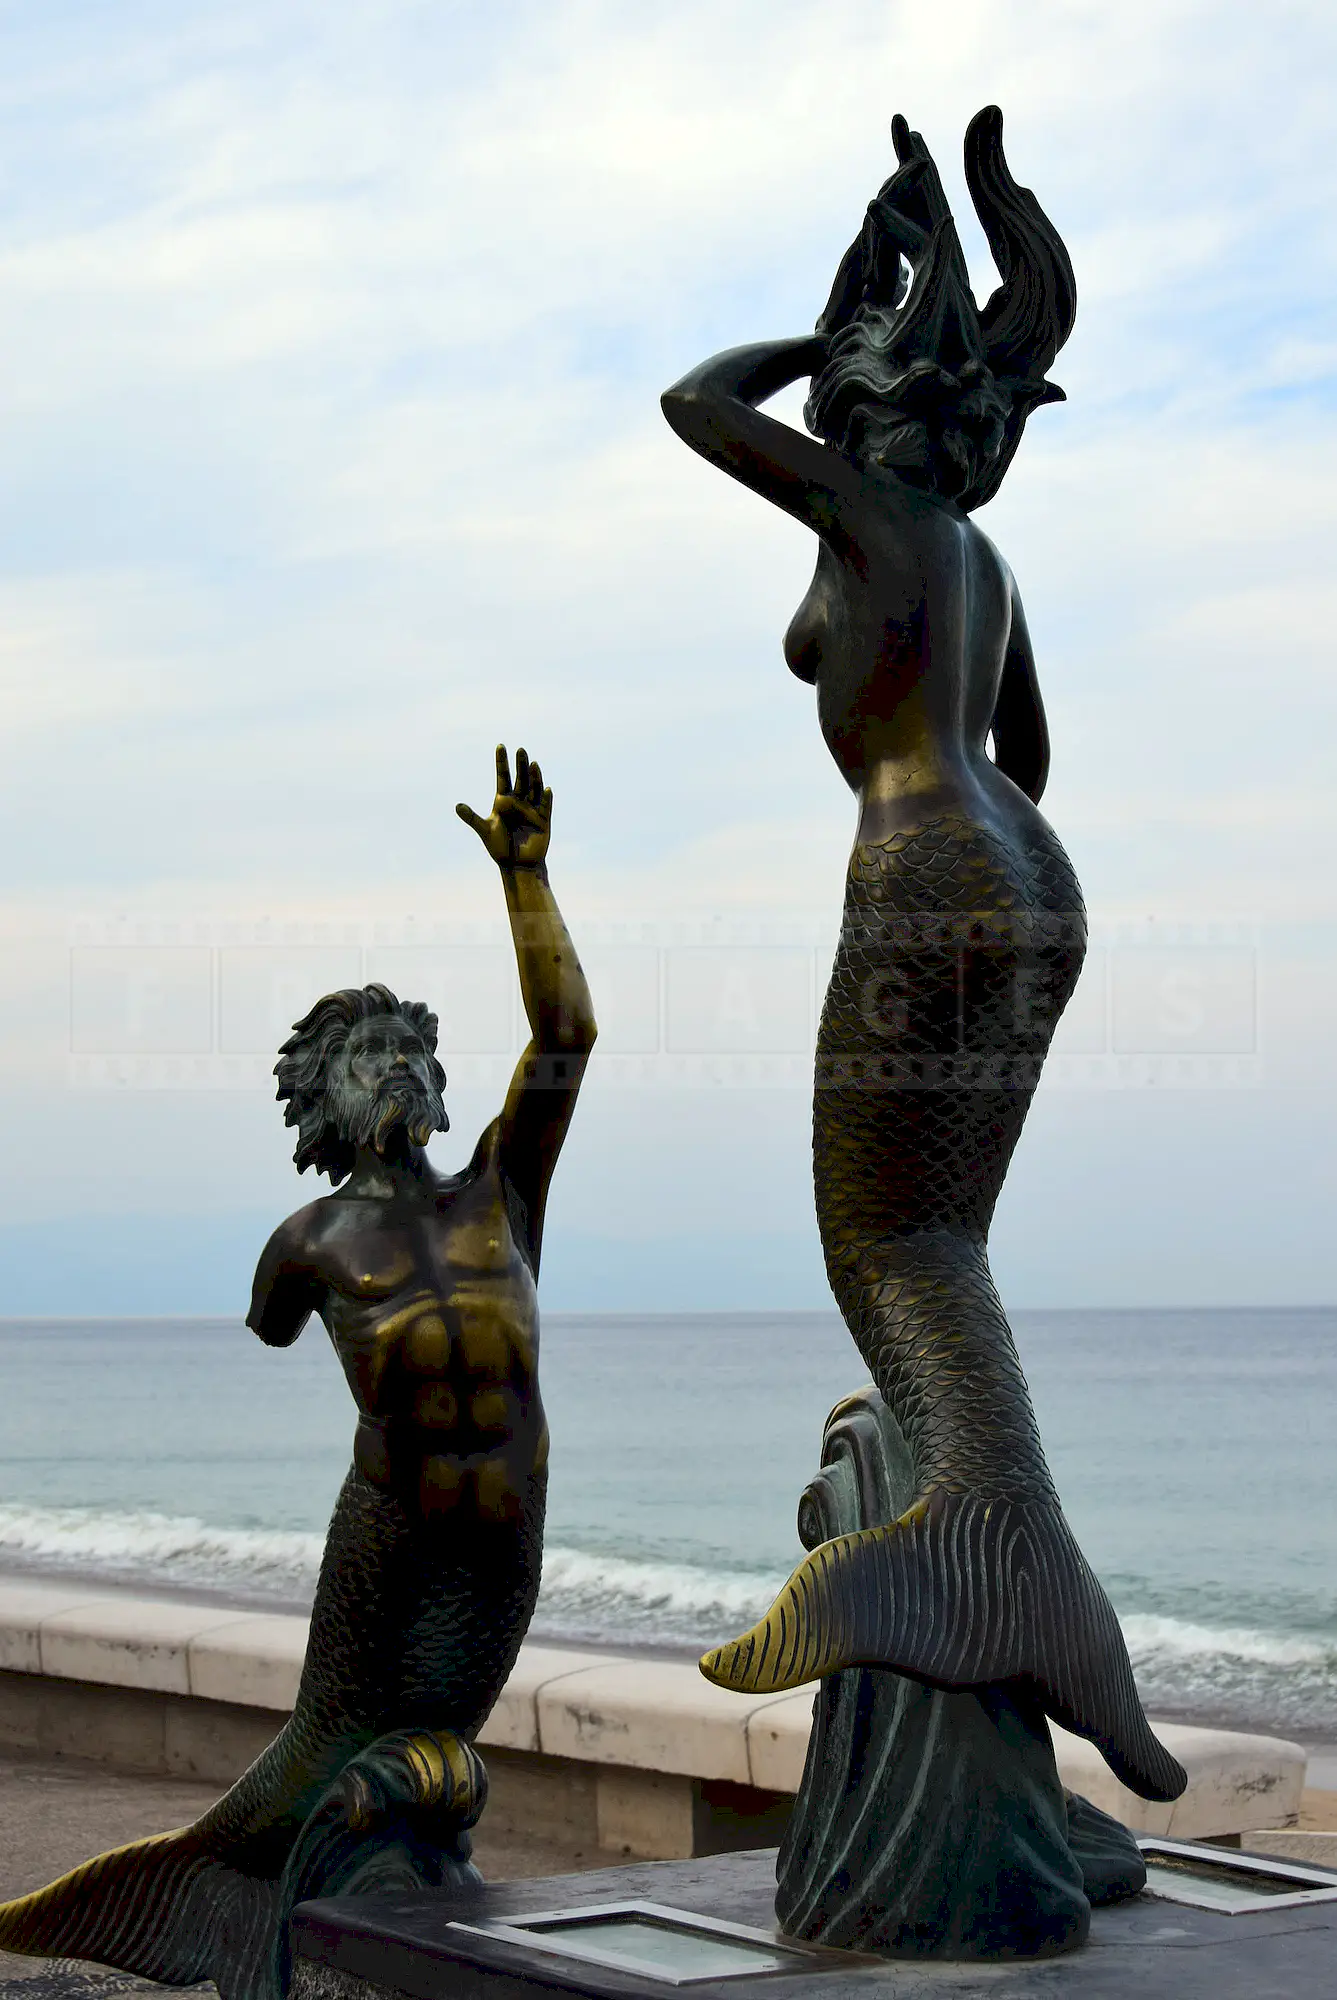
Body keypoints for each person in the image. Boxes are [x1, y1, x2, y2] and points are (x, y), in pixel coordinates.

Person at [661, 109, 1183, 1805]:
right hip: (1027, 871)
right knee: (939, 1237)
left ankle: (979, 1549)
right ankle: (1001, 1547)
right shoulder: (978, 556)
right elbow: (1029, 751)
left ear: (867, 411)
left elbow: (693, 405)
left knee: (884, 1235)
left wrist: (810, 337)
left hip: (925, 858)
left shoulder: (873, 511)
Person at [0, 745, 598, 1992]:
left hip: (504, 1540)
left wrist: (525, 880)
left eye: (408, 1047)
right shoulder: (308, 1245)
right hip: (387, 1540)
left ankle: (370, 1919)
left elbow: (567, 1033)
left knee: (425, 1768)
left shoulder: (500, 1192)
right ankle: (210, 1912)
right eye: (365, 1053)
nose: (395, 1064)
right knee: (320, 1759)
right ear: (324, 1094)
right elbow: (272, 1322)